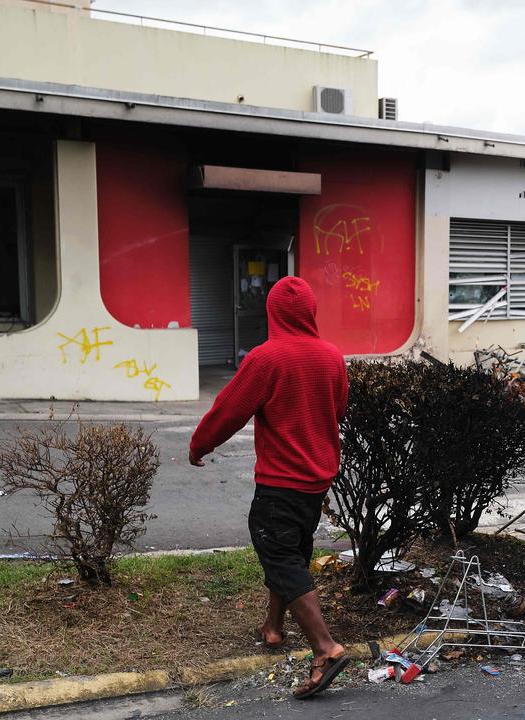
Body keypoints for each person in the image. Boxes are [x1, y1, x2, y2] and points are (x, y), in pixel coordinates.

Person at [189, 276, 350, 700]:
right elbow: (339, 409)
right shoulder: (332, 357)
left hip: (281, 482)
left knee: (280, 555)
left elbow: (229, 410)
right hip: (316, 482)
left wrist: (199, 444)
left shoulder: (266, 358)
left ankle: (325, 647)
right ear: (311, 311)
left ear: (273, 312)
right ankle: (273, 628)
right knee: (292, 553)